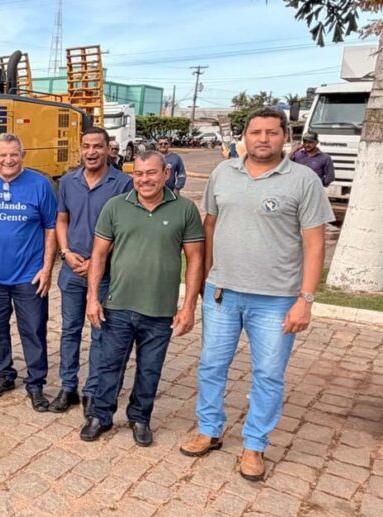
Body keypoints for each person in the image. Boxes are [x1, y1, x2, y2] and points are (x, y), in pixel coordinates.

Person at [181, 107, 334, 482]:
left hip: (276, 299)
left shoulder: (303, 181)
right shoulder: (223, 173)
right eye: (255, 132)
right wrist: (205, 280)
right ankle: (209, 429)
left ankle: (254, 445)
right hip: (222, 294)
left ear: (286, 137)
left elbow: (315, 244)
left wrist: (306, 300)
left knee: (268, 374)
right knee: (211, 365)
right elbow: (210, 226)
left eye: (271, 132)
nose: (263, 139)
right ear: (244, 137)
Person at [81, 151, 205, 446]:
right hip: (117, 304)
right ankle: (100, 415)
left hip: (160, 308)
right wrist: (92, 298)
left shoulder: (185, 210)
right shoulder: (115, 206)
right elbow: (99, 255)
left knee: (150, 368)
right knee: (109, 365)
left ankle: (140, 418)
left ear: (166, 174)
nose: (144, 179)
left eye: (151, 173)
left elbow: (195, 260)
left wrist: (188, 307)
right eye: (138, 173)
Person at [0, 132, 57, 412]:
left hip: (30, 276)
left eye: (14, 154)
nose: (8, 160)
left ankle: (36, 383)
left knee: (33, 330)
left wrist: (47, 268)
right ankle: (4, 374)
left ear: (23, 155)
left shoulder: (40, 185)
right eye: (2, 154)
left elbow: (51, 228)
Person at [51, 127, 133, 415]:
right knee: (70, 330)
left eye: (97, 146)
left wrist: (97, 261)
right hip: (72, 269)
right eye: (86, 146)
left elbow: (124, 229)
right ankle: (68, 387)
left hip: (106, 272)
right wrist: (65, 252)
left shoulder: (123, 183)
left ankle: (93, 390)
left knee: (100, 331)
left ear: (108, 149)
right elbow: (62, 220)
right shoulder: (68, 181)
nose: (91, 152)